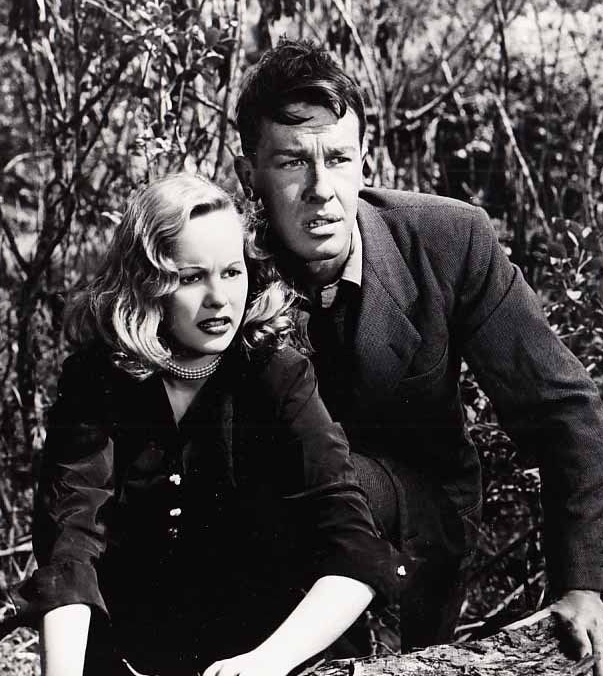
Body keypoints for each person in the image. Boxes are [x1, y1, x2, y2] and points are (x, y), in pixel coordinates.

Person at [233, 39, 603, 676]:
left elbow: (561, 405)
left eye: (338, 159)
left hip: (422, 515)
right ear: (249, 175)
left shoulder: (449, 238)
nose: (322, 190)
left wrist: (582, 585)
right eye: (292, 162)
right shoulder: (221, 265)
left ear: (364, 160)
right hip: (277, 522)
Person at [20, 172, 408, 676]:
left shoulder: (278, 375)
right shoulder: (96, 380)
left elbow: (354, 545)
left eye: (231, 272)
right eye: (191, 278)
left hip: (275, 652)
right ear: (148, 284)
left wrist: (267, 662)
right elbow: (70, 543)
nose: (219, 298)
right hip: (130, 657)